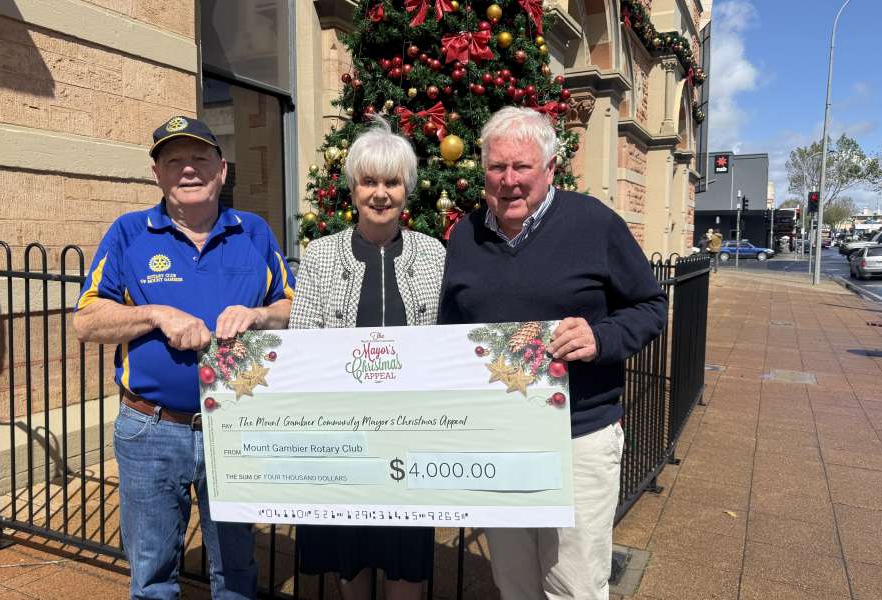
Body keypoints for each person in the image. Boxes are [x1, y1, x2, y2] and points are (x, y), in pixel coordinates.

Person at [438, 107, 667, 600]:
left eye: (521, 167)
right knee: (514, 583)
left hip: (578, 436)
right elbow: (450, 331)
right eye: (497, 168)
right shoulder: (464, 236)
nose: (509, 181)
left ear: (549, 168)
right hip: (501, 439)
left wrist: (601, 338)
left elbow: (651, 305)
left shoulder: (595, 224)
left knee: (574, 586)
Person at [74, 116, 295, 599]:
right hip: (151, 428)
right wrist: (155, 314)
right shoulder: (129, 233)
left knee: (237, 571)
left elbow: (293, 307)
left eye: (199, 158)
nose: (187, 170)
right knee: (152, 575)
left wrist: (257, 315)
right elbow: (86, 319)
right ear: (156, 173)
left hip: (234, 425)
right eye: (173, 160)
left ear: (222, 169)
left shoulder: (253, 232)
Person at [288, 115, 445, 600]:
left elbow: (446, 343)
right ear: (353, 188)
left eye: (392, 182)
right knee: (349, 555)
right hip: (344, 439)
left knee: (406, 564)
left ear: (407, 189)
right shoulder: (321, 255)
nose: (381, 193)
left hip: (410, 437)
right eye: (370, 181)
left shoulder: (434, 253)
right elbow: (302, 339)